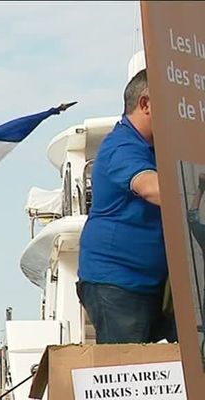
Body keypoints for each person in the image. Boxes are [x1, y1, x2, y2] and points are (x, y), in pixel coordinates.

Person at [77, 69, 177, 344]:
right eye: (170, 102)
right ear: (145, 104)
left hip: (151, 284)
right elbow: (150, 186)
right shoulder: (121, 147)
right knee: (128, 370)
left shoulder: (153, 149)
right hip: (118, 284)